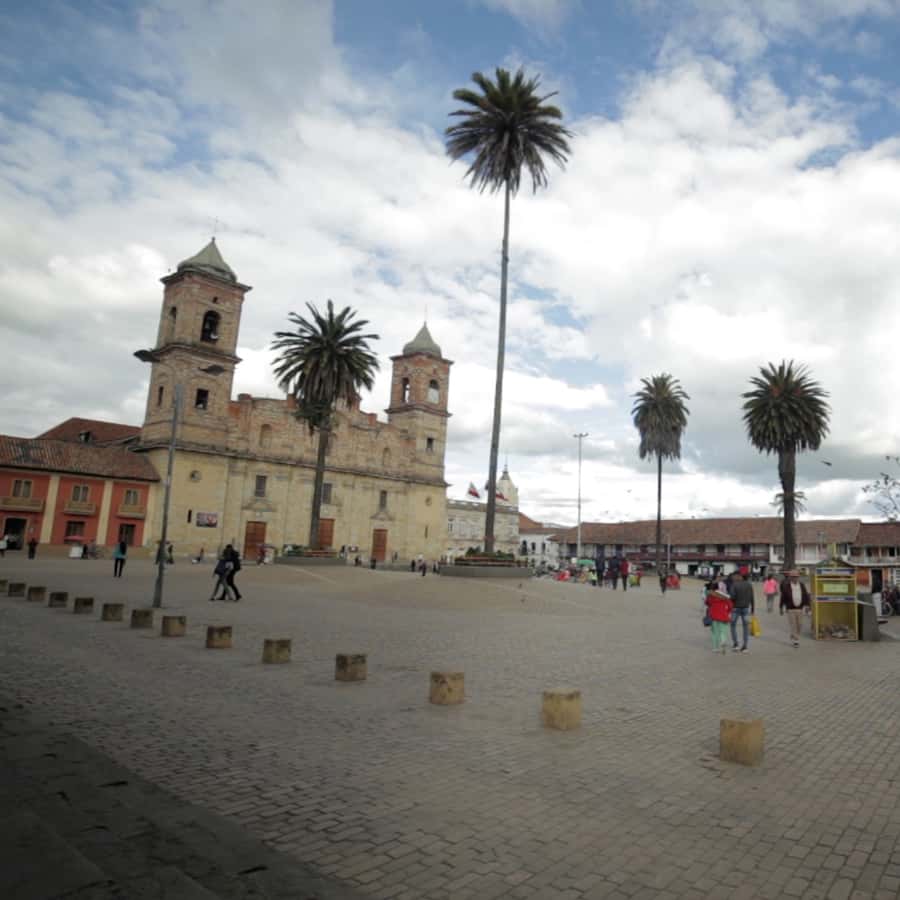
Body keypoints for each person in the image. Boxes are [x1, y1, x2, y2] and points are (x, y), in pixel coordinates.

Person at [779, 569, 811, 647]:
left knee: (800, 625)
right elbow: (783, 597)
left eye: (796, 577)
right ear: (790, 577)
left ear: (798, 577)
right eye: (793, 577)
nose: (795, 578)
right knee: (793, 625)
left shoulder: (802, 585)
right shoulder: (787, 586)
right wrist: (781, 607)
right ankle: (796, 640)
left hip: (800, 608)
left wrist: (807, 605)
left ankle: (793, 635)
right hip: (790, 609)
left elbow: (805, 595)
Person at [728, 570, 755, 652]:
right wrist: (753, 609)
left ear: (740, 576)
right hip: (746, 608)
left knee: (733, 626)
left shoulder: (734, 584)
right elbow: (752, 598)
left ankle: (736, 644)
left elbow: (732, 597)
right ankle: (745, 646)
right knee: (745, 627)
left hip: (735, 608)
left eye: (735, 576)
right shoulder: (749, 585)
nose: (734, 577)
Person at [705, 586, 733, 654]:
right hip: (724, 616)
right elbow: (731, 606)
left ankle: (715, 648)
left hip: (714, 616)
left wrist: (709, 596)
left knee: (715, 633)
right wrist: (727, 612)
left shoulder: (712, 597)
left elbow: (707, 603)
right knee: (723, 632)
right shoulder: (725, 598)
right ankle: (723, 642)